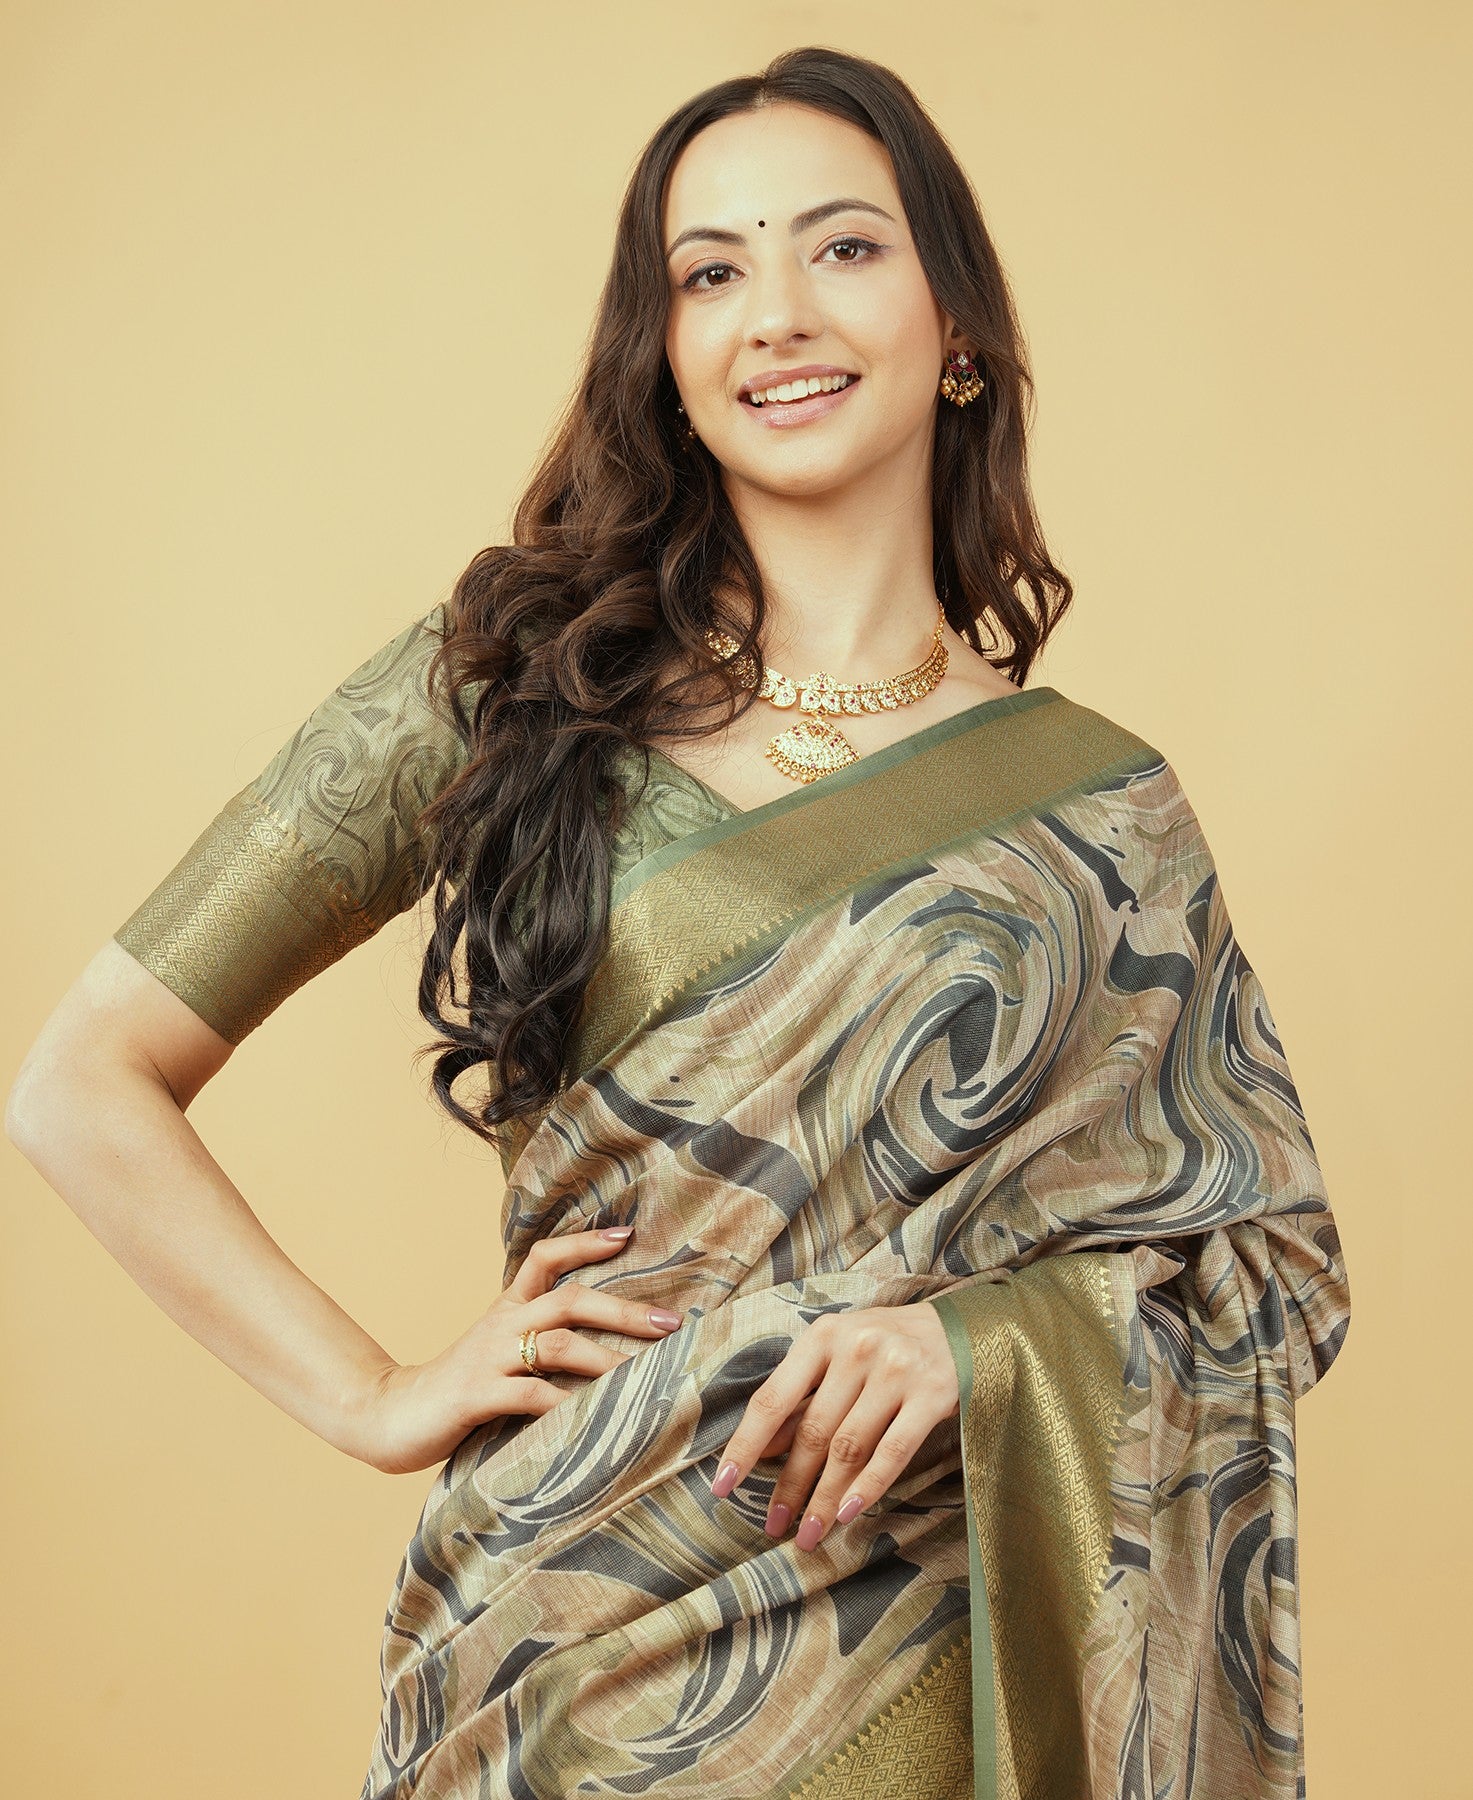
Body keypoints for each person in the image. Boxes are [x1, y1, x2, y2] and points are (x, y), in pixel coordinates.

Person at [5, 45, 1352, 1800]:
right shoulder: (502, 688)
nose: (775, 313)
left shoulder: (1102, 814)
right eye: (710, 273)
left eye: (842, 248)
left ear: (956, 325)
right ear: (666, 358)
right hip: (575, 1637)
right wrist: (373, 1392)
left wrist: (973, 1349)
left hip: (939, 1661)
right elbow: (82, 1081)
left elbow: (1262, 1273)